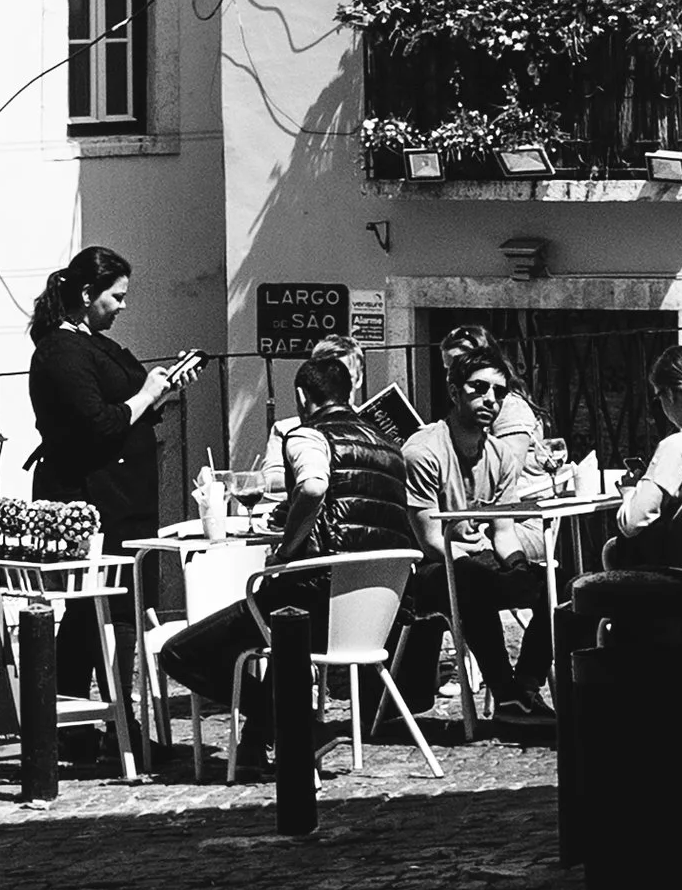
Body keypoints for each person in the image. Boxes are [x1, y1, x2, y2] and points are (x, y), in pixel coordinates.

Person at [154, 347, 417, 775]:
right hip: (371, 612)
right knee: (279, 646)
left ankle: (291, 725)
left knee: (180, 654)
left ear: (301, 396)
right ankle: (259, 746)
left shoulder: (308, 435)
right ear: (348, 391)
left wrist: (289, 547)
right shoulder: (388, 446)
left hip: (315, 596)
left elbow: (313, 488)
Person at [26, 247, 202, 692]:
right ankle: (103, 717)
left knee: (120, 605)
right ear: (87, 294)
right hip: (94, 498)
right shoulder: (60, 352)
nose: (122, 307)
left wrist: (160, 392)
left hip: (125, 496)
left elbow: (127, 409)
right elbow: (99, 423)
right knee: (97, 608)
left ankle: (110, 718)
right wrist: (145, 395)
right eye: (116, 297)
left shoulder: (96, 346)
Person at [401, 329, 559, 718]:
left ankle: (526, 685)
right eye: (478, 388)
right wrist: (483, 560)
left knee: (559, 586)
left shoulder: (502, 455)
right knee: (470, 578)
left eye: (499, 393)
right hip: (423, 572)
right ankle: (505, 693)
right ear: (455, 392)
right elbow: (430, 542)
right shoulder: (423, 451)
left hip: (474, 562)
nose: (490, 399)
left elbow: (503, 531)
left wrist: (519, 567)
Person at [609, 344, 682, 575]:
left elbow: (633, 522)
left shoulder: (675, 446)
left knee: (613, 551)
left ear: (670, 394)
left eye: (658, 397)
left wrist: (629, 492)